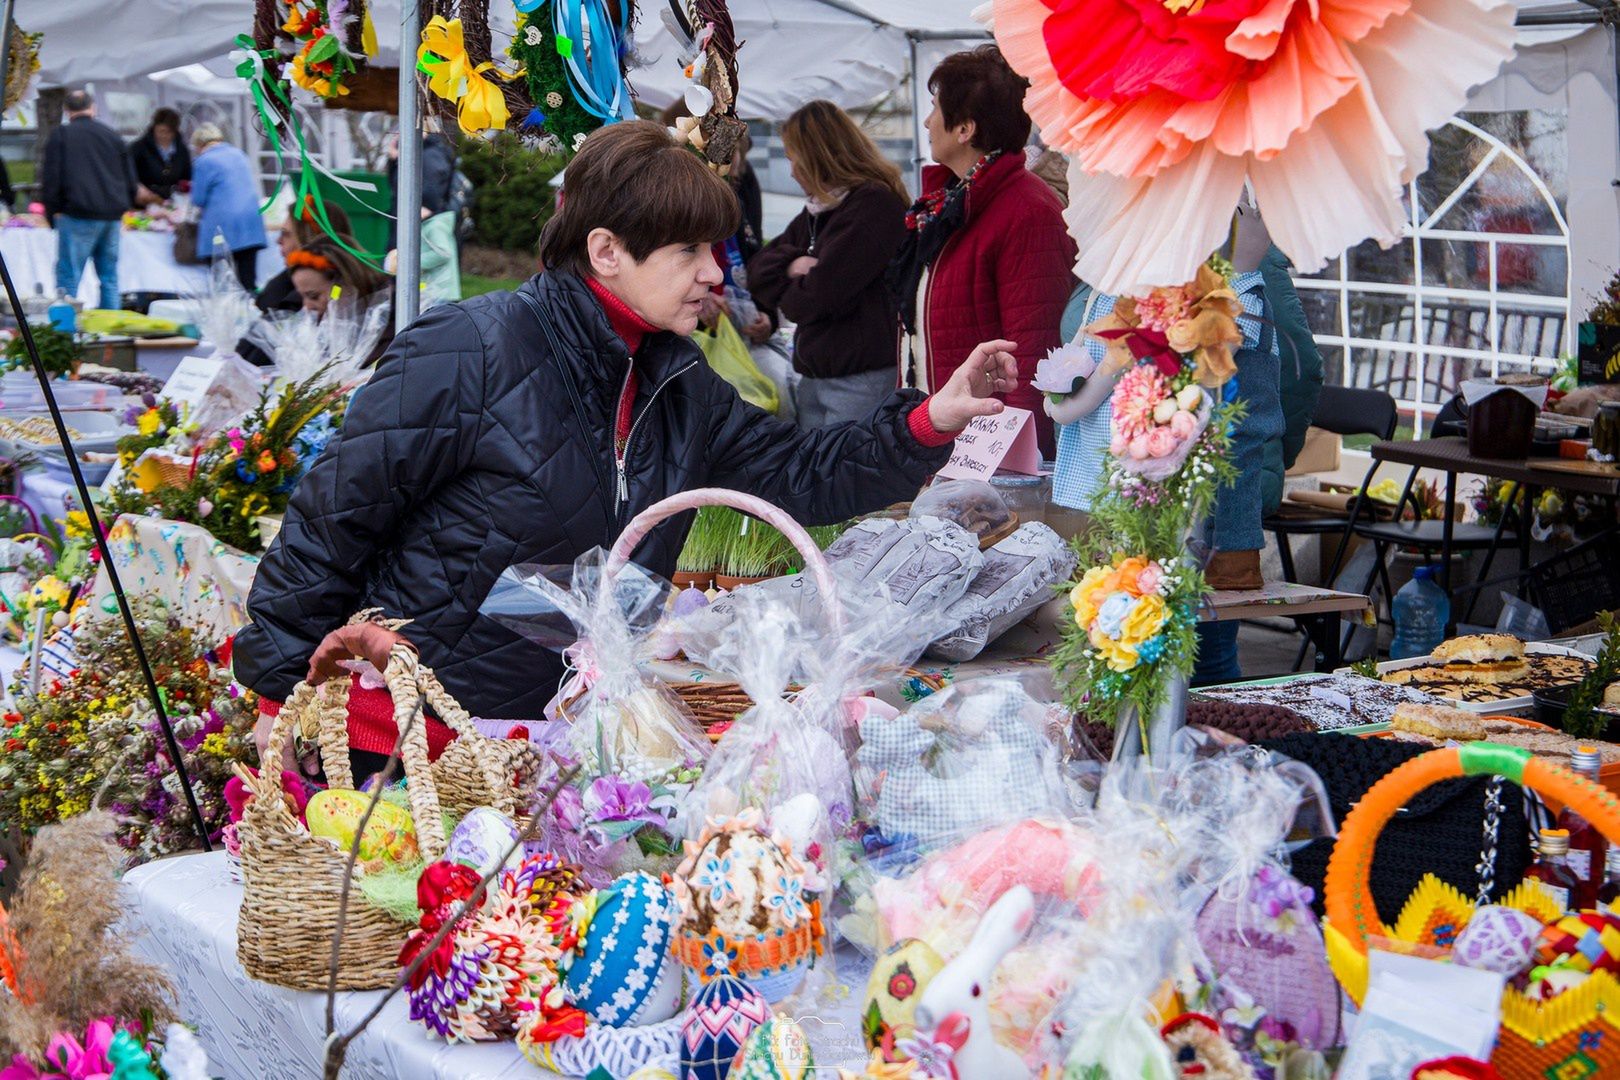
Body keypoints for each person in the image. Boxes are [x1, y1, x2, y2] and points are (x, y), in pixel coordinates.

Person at [232, 120, 1017, 779]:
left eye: (714, 249)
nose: (713, 273)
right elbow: (332, 520)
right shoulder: (470, 348)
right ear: (607, 250)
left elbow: (796, 473)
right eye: (689, 251)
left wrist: (929, 422)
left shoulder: (679, 380)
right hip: (411, 741)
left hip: (565, 738)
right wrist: (277, 692)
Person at [890, 45, 1076, 456]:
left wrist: (1016, 463)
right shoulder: (949, 205)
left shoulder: (1027, 210)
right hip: (941, 438)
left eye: (935, 109)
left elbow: (1034, 351)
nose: (927, 121)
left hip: (984, 454)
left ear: (964, 129)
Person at [748, 100, 909, 428]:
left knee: (846, 459)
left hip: (859, 377)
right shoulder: (820, 210)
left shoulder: (874, 206)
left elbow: (814, 298)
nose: (791, 171)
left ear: (816, 156)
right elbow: (758, 272)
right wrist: (794, 265)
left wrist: (792, 286)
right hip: (819, 375)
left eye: (792, 158)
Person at [40, 89, 137, 310]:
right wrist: (124, 207)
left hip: (76, 214)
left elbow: (51, 177)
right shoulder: (112, 136)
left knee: (69, 277)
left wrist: (52, 211)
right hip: (111, 215)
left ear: (66, 110)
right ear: (93, 107)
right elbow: (130, 179)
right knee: (109, 278)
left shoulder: (62, 135)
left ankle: (65, 327)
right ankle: (111, 327)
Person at [189, 124, 268, 290]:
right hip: (251, 223)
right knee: (248, 281)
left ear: (199, 144)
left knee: (222, 284)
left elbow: (198, 199)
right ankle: (252, 302)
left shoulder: (204, 161)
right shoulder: (239, 154)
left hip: (223, 226)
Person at [256, 198, 356, 315]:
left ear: (312, 240)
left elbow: (335, 298)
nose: (278, 240)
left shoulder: (338, 288)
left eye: (286, 234)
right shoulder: (283, 287)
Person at [130, 108, 191, 204]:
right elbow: (128, 173)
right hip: (144, 203)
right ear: (154, 128)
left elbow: (187, 177)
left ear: (175, 131)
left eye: (168, 132)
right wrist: (138, 187)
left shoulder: (182, 150)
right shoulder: (138, 148)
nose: (163, 135)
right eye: (160, 131)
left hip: (173, 203)